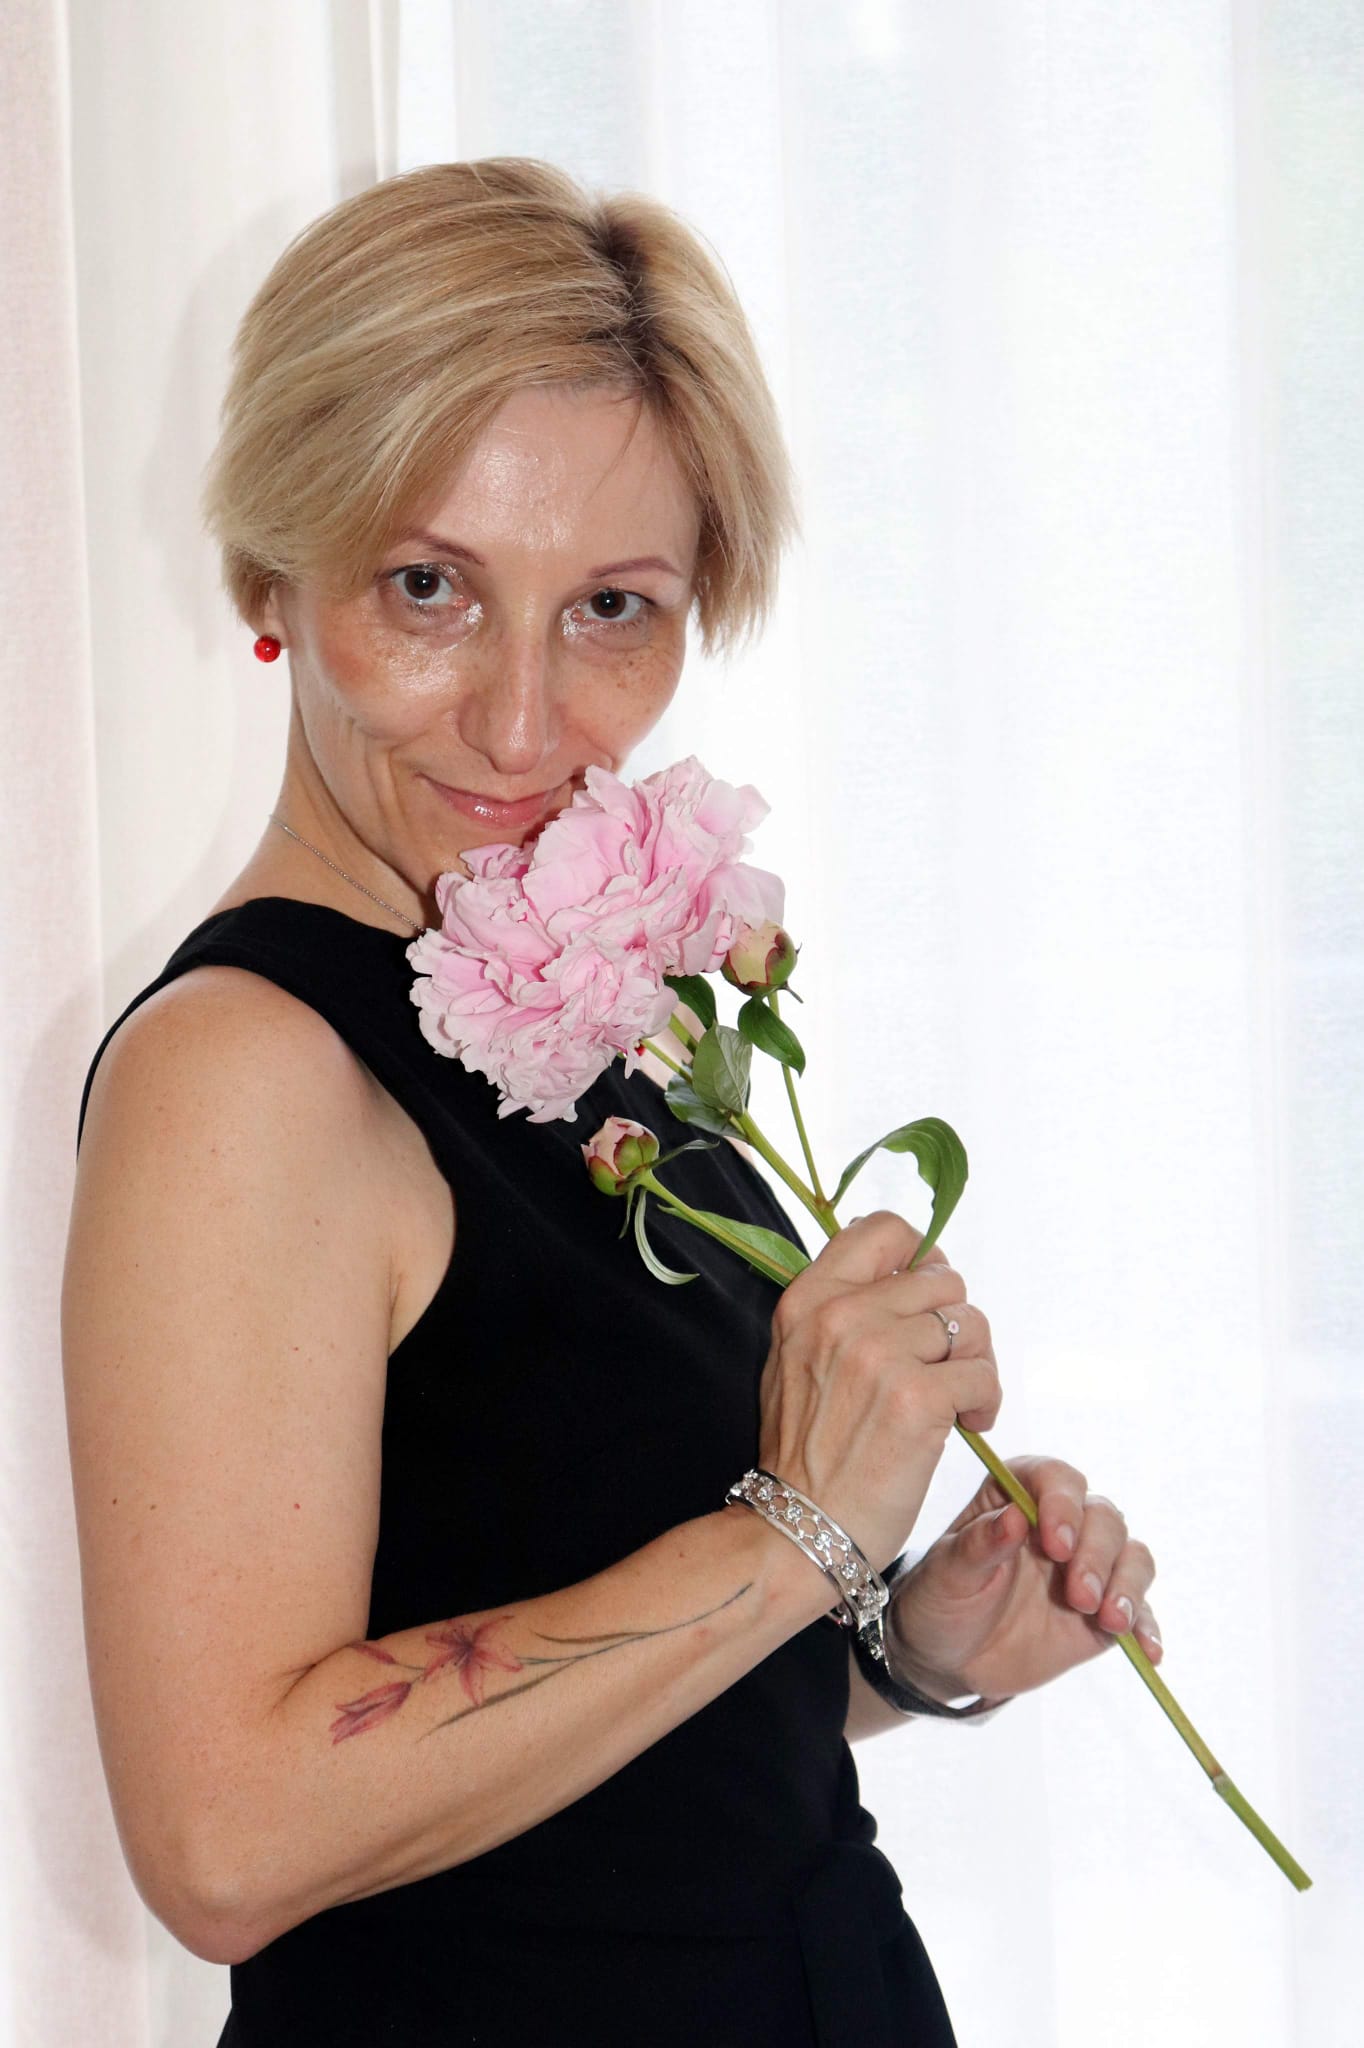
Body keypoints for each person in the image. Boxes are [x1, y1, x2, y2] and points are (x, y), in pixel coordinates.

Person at [61, 157, 1163, 2048]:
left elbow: (593, 1743)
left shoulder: (561, 1010)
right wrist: (796, 1534)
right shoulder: (243, 1072)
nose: (521, 724)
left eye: (612, 609)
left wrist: (901, 1646)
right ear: (270, 569)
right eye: (428, 587)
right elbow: (227, 1839)